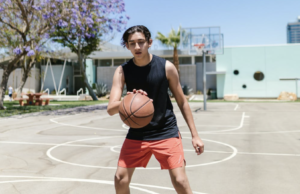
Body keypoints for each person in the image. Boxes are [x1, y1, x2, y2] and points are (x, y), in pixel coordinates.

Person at [107, 25, 204, 194]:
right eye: (132, 44)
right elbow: (111, 109)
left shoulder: (166, 67)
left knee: (180, 181)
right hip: (138, 133)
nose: (137, 47)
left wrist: (195, 136)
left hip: (165, 130)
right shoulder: (122, 71)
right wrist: (128, 100)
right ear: (127, 46)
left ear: (149, 42)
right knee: (120, 179)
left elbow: (182, 102)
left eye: (141, 42)